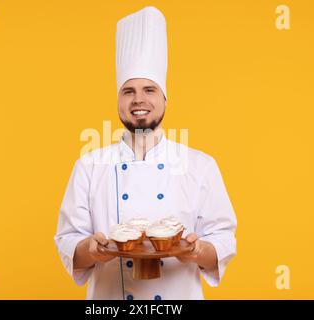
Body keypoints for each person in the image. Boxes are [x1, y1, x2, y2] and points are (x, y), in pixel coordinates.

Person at [54, 6, 237, 300]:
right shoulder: (89, 165)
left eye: (149, 90)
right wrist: (90, 249)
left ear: (165, 99)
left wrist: (197, 250)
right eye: (129, 91)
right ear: (118, 100)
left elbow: (223, 239)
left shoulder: (200, 165)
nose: (139, 99)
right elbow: (68, 241)